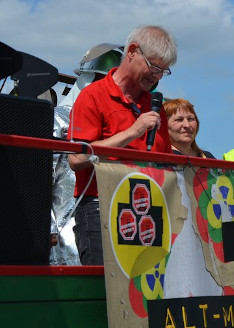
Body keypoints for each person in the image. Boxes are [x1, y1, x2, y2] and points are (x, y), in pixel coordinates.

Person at [67, 25, 177, 265]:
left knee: (146, 294)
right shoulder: (92, 96)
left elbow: (168, 165)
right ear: (132, 52)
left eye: (164, 71)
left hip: (149, 210)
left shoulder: (156, 106)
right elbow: (76, 160)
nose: (157, 76)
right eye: (154, 67)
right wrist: (133, 132)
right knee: (102, 295)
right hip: (101, 209)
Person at [50, 43, 123, 265]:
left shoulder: (118, 125)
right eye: (101, 80)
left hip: (112, 229)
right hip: (65, 237)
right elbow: (40, 182)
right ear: (86, 78)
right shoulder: (57, 121)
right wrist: (49, 229)